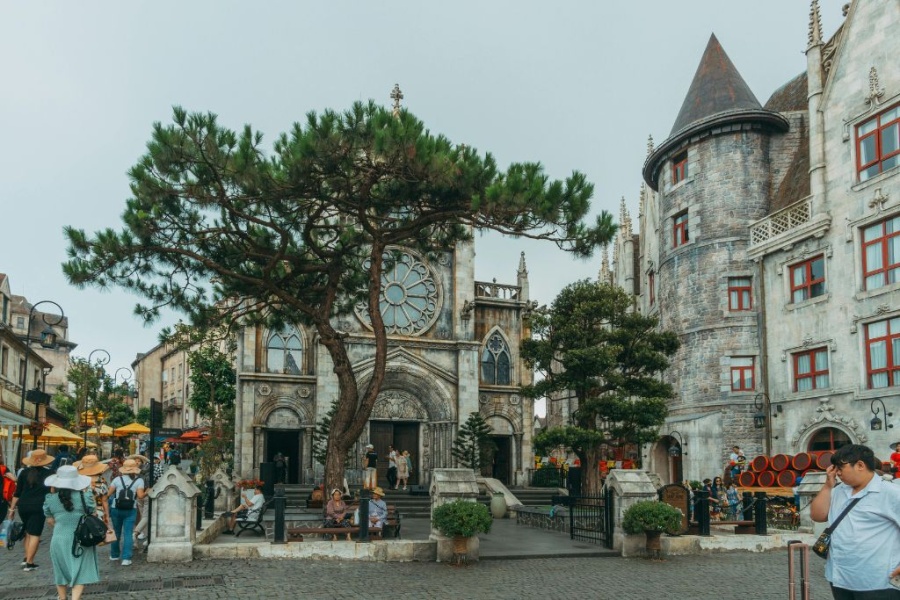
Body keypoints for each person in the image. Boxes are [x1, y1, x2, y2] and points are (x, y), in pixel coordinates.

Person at [810, 444, 900, 598]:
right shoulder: (838, 491)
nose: (837, 473)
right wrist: (827, 485)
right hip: (839, 577)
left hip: (876, 581)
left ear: (860, 465)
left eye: (840, 468)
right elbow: (817, 515)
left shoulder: (890, 493)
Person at [42, 465, 100, 600]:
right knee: (81, 570)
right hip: (81, 538)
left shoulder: (50, 499)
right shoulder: (85, 496)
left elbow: (50, 521)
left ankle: (62, 598)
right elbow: (93, 512)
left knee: (60, 570)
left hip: (58, 539)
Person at [9, 448, 54, 571]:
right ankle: (29, 562)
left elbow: (17, 493)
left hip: (23, 506)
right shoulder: (50, 473)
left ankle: (25, 557)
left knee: (28, 531)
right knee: (35, 534)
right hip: (38, 506)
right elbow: (53, 491)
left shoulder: (24, 472)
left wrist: (12, 510)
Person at [106, 459, 146, 566]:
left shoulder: (117, 479)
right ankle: (126, 559)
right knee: (128, 533)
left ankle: (114, 555)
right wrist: (148, 491)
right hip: (130, 509)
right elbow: (140, 496)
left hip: (116, 509)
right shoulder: (139, 481)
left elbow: (108, 494)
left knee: (117, 532)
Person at [72, 455, 110, 530]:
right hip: (97, 512)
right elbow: (104, 501)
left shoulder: (77, 480)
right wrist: (107, 516)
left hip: (79, 511)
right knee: (97, 535)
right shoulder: (101, 481)